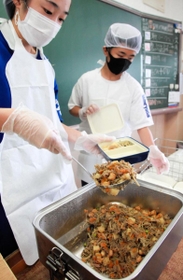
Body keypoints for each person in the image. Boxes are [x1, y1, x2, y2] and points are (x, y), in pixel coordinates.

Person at [0, 0, 115, 265]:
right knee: (20, 262)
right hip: (12, 191)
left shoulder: (44, 63)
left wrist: (79, 138)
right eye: (48, 11)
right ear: (19, 2)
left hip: (53, 183)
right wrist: (15, 120)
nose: (53, 24)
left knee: (59, 253)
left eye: (62, 18)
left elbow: (54, 120)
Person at [68, 23, 170, 185]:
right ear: (106, 50)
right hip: (90, 156)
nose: (125, 61)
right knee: (90, 205)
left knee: (118, 203)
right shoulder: (86, 80)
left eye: (130, 57)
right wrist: (82, 112)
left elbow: (142, 125)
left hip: (121, 159)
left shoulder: (134, 87)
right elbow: (72, 108)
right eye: (121, 54)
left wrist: (153, 149)